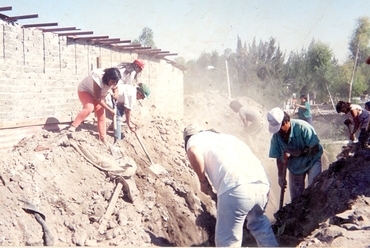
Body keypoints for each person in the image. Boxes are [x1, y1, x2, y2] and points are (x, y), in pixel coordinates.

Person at [183, 124, 278, 247]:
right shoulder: (227, 138)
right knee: (259, 224)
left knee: (227, 241)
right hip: (262, 184)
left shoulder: (194, 138)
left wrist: (203, 181)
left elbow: (193, 152)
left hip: (236, 187)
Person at [267, 107, 323, 202]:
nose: (278, 131)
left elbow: (315, 148)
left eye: (279, 127)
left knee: (314, 190)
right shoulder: (276, 137)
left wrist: (298, 153)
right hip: (295, 167)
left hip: (312, 161)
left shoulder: (303, 127)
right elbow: (279, 159)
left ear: (286, 121)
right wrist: (280, 177)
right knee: (296, 199)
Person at [68, 67, 121, 144]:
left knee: (102, 116)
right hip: (85, 90)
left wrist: (116, 93)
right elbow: (98, 98)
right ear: (107, 78)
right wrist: (109, 109)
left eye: (115, 82)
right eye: (112, 81)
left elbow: (115, 88)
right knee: (89, 107)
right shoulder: (98, 78)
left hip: (98, 96)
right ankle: (73, 127)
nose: (113, 83)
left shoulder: (114, 81)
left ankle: (103, 139)